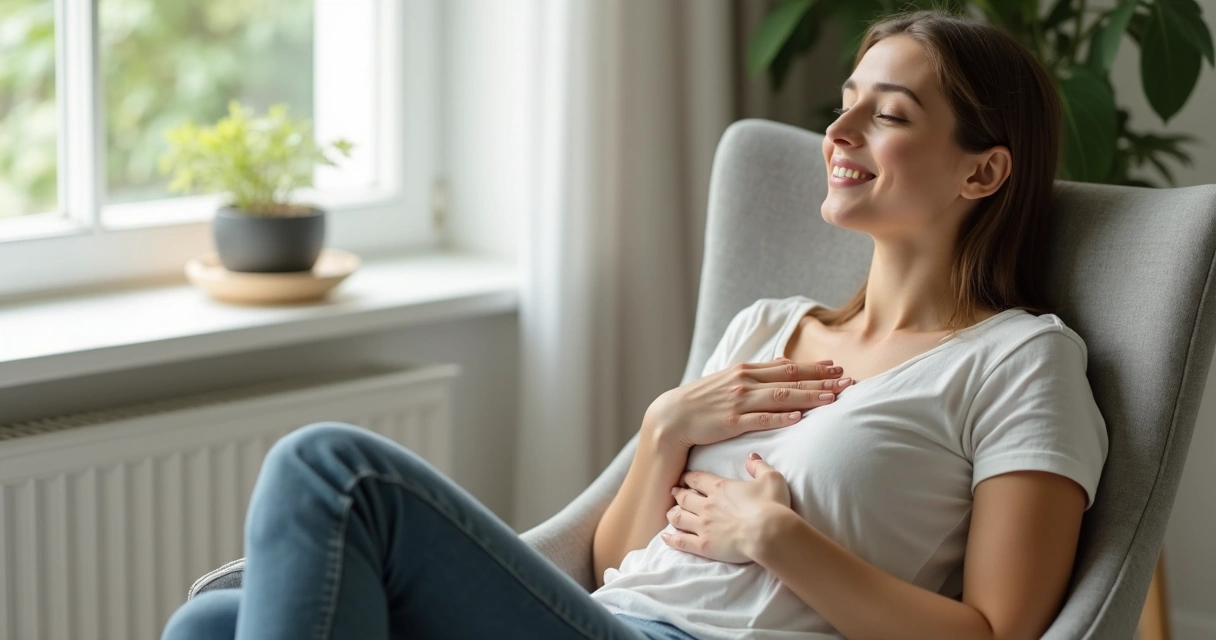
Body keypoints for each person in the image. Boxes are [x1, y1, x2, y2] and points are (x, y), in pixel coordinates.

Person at [162, 9, 1108, 640]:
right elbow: (615, 562)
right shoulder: (766, 327)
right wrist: (666, 430)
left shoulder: (1020, 361)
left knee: (333, 468)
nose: (841, 131)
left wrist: (777, 539)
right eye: (844, 103)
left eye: (888, 113)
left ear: (982, 172)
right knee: (210, 627)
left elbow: (1001, 631)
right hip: (610, 619)